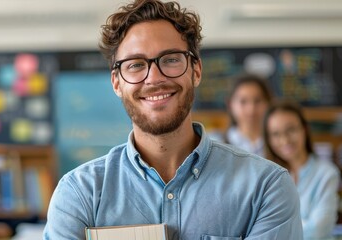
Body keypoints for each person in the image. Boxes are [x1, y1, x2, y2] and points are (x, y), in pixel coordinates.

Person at [43, 0, 303, 239]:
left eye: (170, 60)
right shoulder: (80, 193)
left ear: (196, 70)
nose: (154, 78)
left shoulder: (266, 187)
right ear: (116, 82)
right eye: (135, 64)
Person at [263, 101, 340, 239]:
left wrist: (278, 229)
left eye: (290, 130)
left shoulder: (327, 174)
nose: (285, 140)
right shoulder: (267, 177)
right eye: (275, 134)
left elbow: (317, 230)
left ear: (304, 129)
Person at [214, 74, 273, 157]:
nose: (251, 109)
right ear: (230, 104)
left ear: (268, 102)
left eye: (257, 101)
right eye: (243, 101)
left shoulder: (279, 143)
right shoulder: (216, 145)